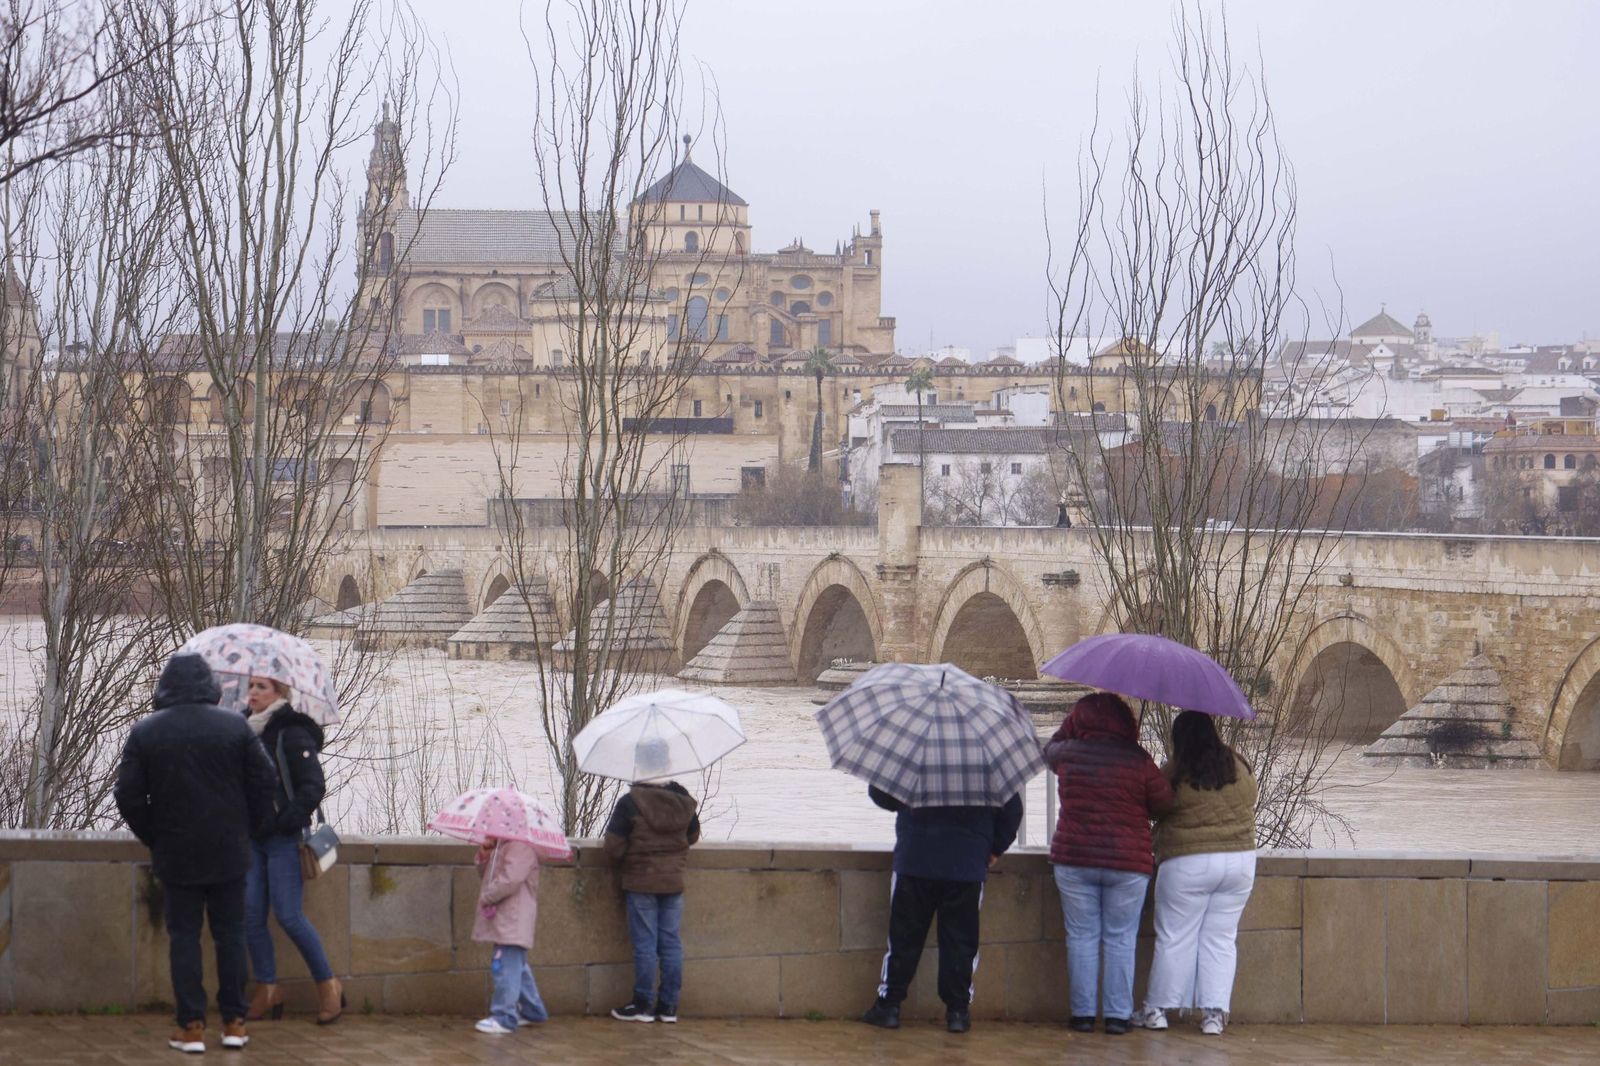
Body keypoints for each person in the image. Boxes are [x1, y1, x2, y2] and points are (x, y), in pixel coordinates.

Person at [114, 652, 277, 1055]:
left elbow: (128, 795)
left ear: (164, 687)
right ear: (210, 687)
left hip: (177, 851)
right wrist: (245, 829)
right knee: (231, 936)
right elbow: (265, 783)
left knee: (184, 938)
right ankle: (235, 1022)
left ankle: (191, 1027)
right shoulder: (236, 726)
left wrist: (155, 835)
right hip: (229, 851)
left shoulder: (146, 731)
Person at [1044, 692, 1173, 1035]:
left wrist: (1069, 727)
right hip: (1128, 864)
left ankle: (1083, 1015)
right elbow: (1163, 803)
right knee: (1121, 938)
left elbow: (1049, 752)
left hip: (1075, 858)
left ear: (1077, 721)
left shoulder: (1068, 753)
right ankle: (1117, 1016)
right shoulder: (1138, 760)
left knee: (1081, 937)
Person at [1132, 710, 1258, 1037]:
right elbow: (1251, 798)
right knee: (1221, 939)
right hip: (1239, 862)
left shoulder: (1176, 772)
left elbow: (1153, 806)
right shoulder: (1239, 766)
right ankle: (1214, 1015)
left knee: (1175, 937)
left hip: (1187, 862)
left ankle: (1157, 1010)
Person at [859, 785, 1023, 1034]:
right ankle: (957, 1012)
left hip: (915, 859)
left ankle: (889, 1005)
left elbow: (883, 796)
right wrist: (993, 848)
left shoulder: (915, 751)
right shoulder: (986, 760)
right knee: (961, 942)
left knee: (903, 938)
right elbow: (1012, 812)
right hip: (966, 865)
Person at [240, 676, 342, 1025]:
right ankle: (268, 989)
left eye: (262, 687)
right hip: (251, 839)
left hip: (283, 839)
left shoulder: (291, 732)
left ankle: (328, 985)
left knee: (288, 915)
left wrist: (284, 822)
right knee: (251, 916)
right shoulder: (242, 731)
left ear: (280, 693)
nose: (252, 692)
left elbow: (313, 786)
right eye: (250, 685)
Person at [602, 738, 701, 1024]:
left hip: (641, 882)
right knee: (670, 944)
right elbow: (692, 836)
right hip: (673, 883)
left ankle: (642, 1004)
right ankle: (668, 1007)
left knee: (645, 944)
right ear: (668, 763)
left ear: (638, 764)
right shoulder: (683, 798)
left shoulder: (630, 802)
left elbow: (613, 848)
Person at [471, 834, 549, 1035]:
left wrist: (487, 896)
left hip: (513, 918)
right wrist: (485, 856)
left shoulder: (520, 846)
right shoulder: (504, 846)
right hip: (507, 919)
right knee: (516, 968)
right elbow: (489, 876)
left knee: (504, 967)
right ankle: (533, 1010)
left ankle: (504, 1016)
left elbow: (510, 879)